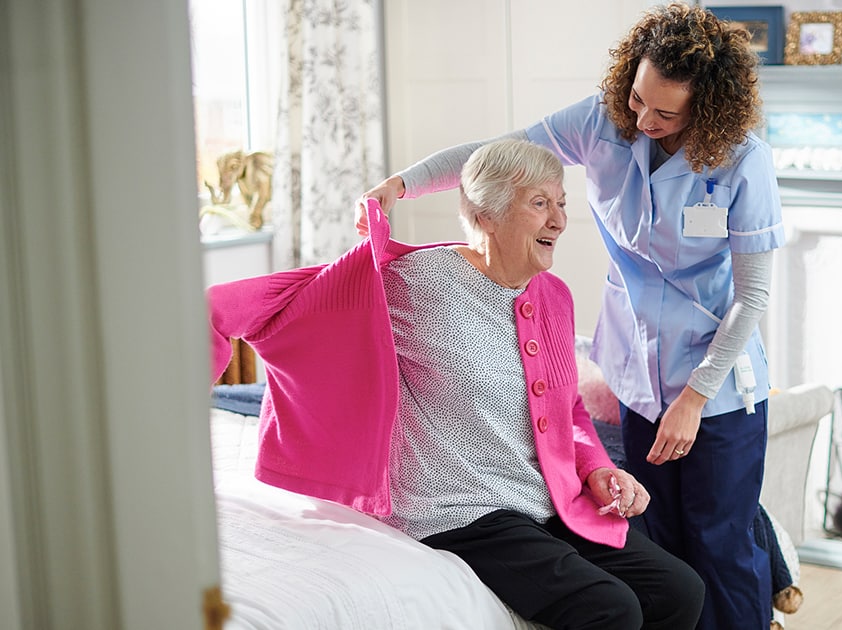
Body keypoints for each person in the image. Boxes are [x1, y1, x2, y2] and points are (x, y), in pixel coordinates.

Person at [357, 4, 784, 628]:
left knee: (720, 547)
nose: (643, 119)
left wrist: (694, 398)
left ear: (707, 108)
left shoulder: (744, 163)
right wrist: (403, 183)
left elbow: (754, 297)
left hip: (716, 385)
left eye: (665, 113)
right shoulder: (605, 121)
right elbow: (498, 157)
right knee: (656, 540)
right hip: (638, 374)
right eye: (638, 99)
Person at [209, 139, 704, 630]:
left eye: (561, 204)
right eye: (539, 204)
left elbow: (568, 408)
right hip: (456, 508)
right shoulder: (415, 279)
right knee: (610, 608)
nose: (558, 220)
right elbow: (250, 302)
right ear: (484, 215)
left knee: (680, 591)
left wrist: (596, 468)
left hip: (541, 497)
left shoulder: (553, 295)